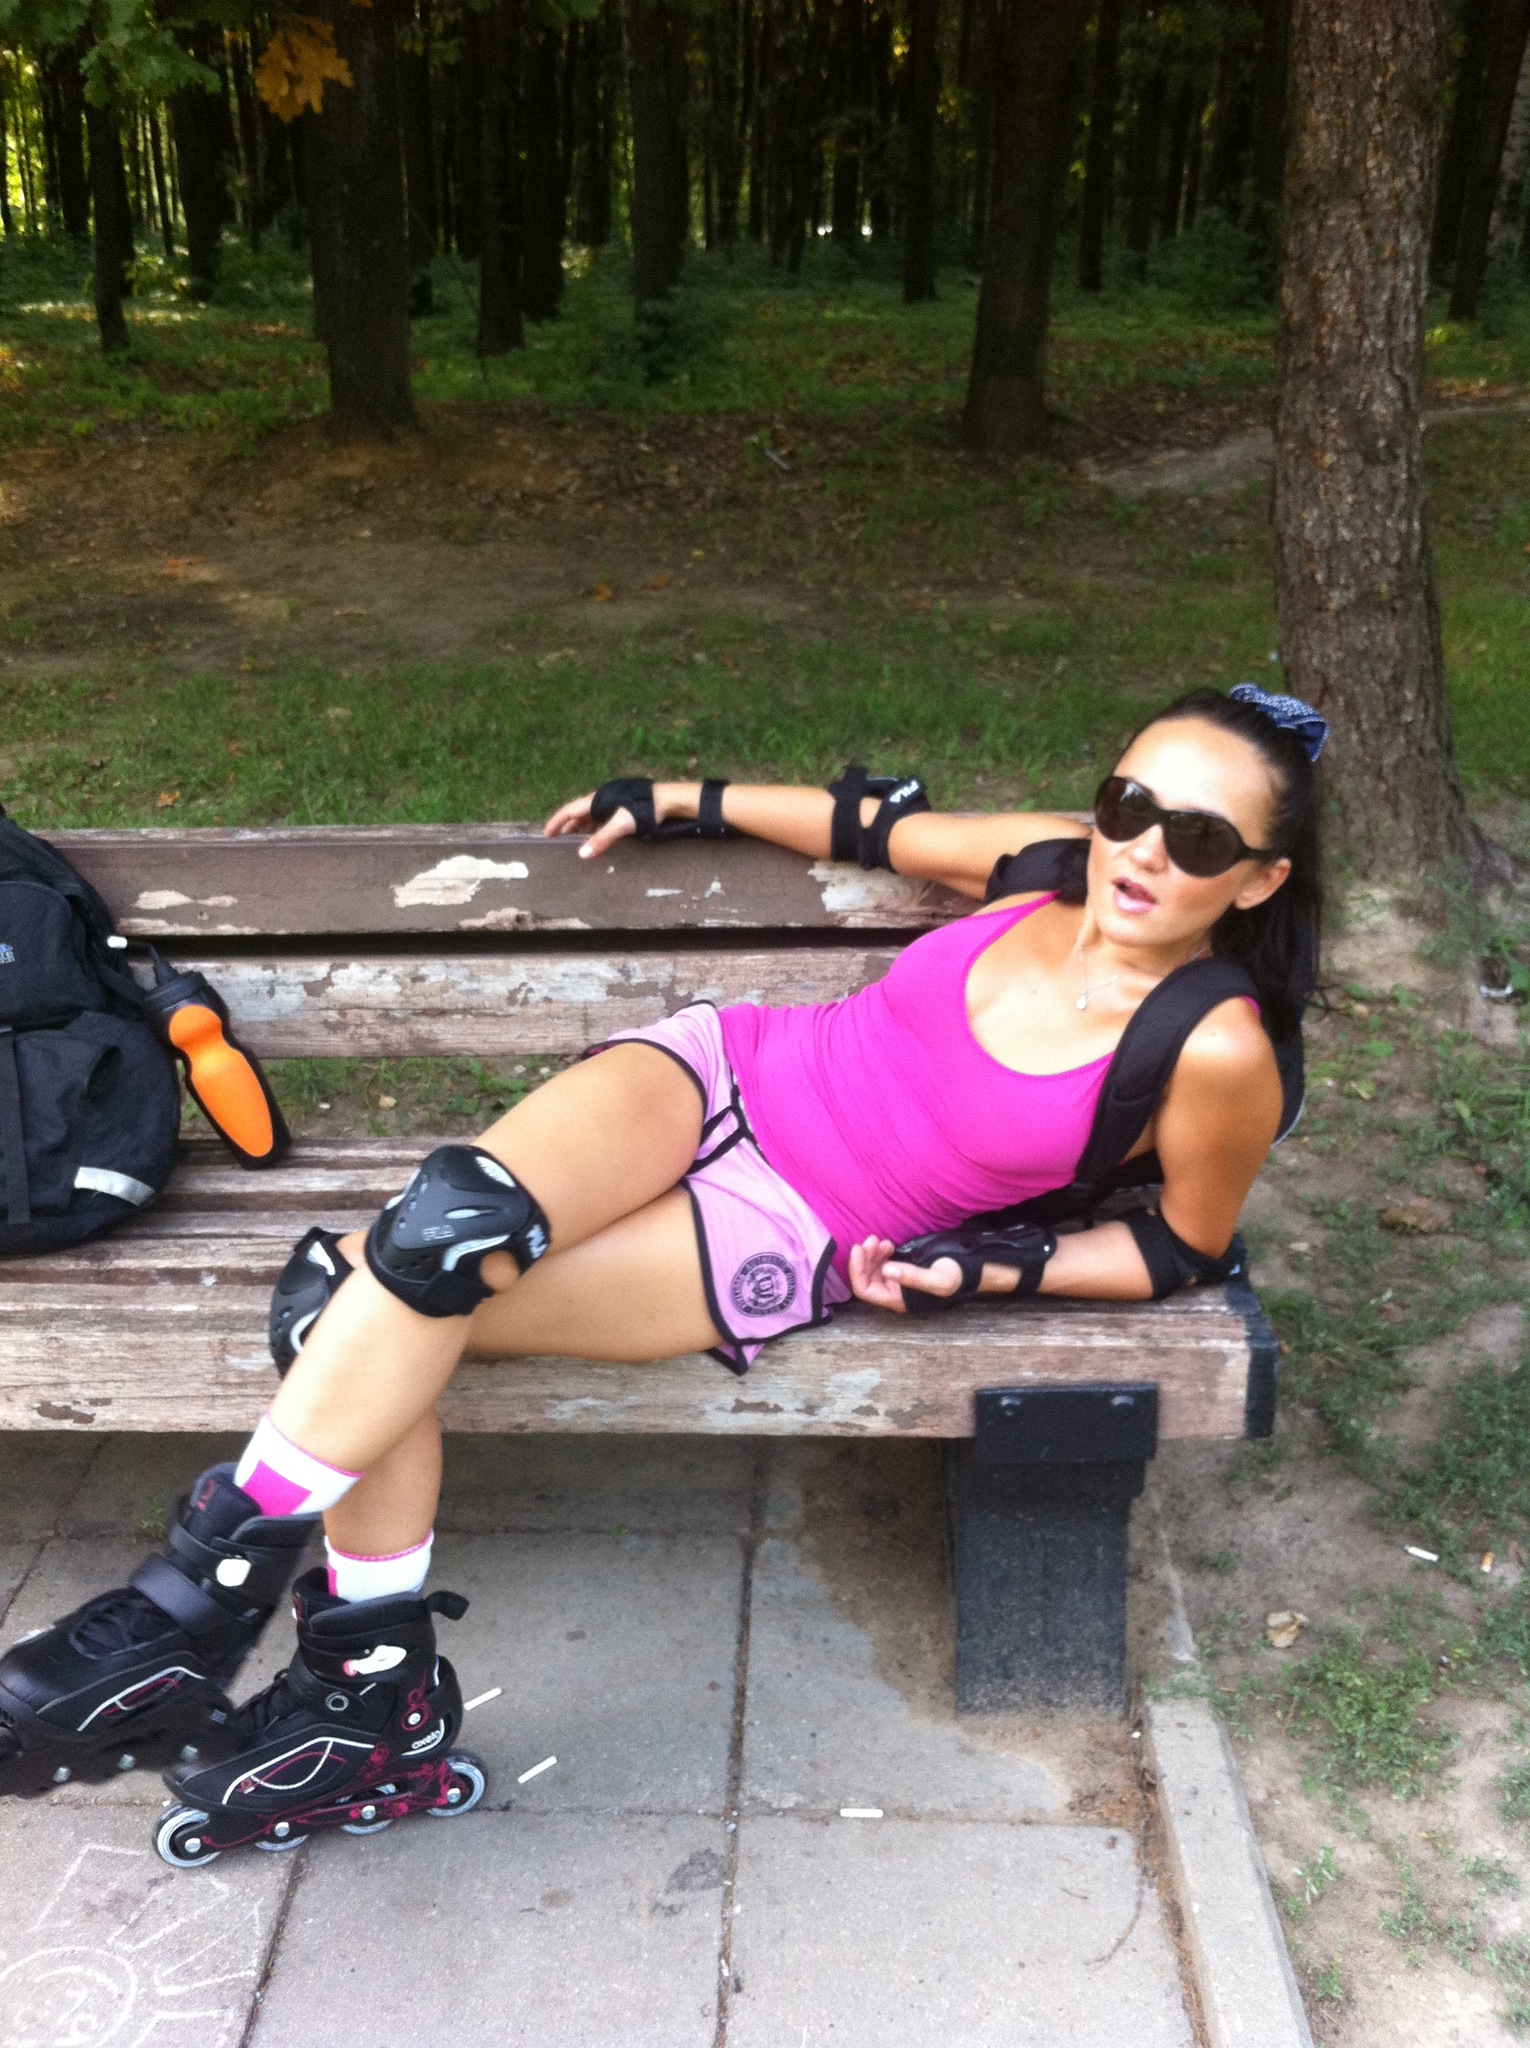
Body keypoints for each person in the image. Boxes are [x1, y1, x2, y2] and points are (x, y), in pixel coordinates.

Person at [0, 683, 1326, 1863]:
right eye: (1127, 805)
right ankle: (290, 1662)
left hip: (792, 1220)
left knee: (357, 1303)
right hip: (723, 1070)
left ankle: (293, 1664)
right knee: (445, 1230)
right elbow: (871, 831)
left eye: (1199, 839)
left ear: (1261, 879)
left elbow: (1180, 1246)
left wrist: (988, 1274)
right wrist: (683, 797)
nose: (1143, 851)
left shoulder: (1214, 1048)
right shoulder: (1050, 863)